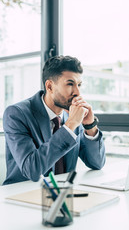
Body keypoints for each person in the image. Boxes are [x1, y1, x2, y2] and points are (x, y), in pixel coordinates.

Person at [3, 55, 106, 185]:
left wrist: (90, 126)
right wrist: (70, 126)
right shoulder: (16, 114)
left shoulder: (72, 115)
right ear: (50, 86)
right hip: (21, 194)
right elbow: (32, 170)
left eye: (79, 85)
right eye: (70, 84)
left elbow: (97, 163)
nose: (77, 93)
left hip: (62, 193)